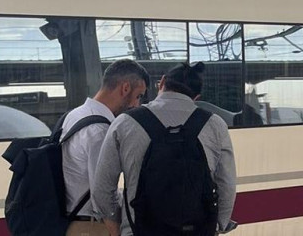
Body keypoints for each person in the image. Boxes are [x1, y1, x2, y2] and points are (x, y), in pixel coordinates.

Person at [92, 63, 237, 236]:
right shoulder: (215, 125)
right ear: (196, 97)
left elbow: (102, 188)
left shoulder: (124, 123)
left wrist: (119, 229)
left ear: (162, 82)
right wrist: (216, 226)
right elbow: (227, 185)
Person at [62, 60, 150, 236]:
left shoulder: (76, 114)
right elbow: (102, 195)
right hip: (92, 228)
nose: (137, 105)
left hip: (75, 221)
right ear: (125, 88)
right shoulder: (100, 131)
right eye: (139, 96)